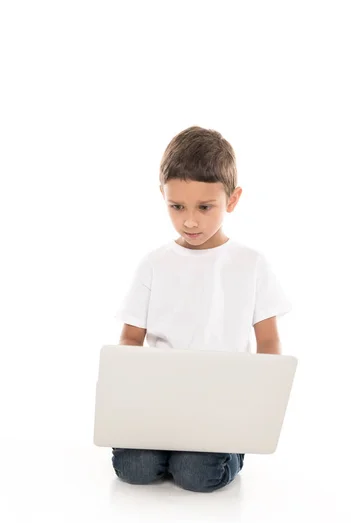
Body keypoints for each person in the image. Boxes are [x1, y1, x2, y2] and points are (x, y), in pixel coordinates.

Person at [112, 125, 292, 493]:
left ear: (233, 199)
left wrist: (258, 406)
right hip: (159, 403)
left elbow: (269, 342)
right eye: (176, 206)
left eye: (205, 207)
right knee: (133, 467)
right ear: (162, 195)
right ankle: (170, 447)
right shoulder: (153, 264)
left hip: (220, 410)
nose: (190, 220)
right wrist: (129, 401)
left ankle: (219, 451)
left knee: (196, 474)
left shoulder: (251, 264)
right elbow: (130, 339)